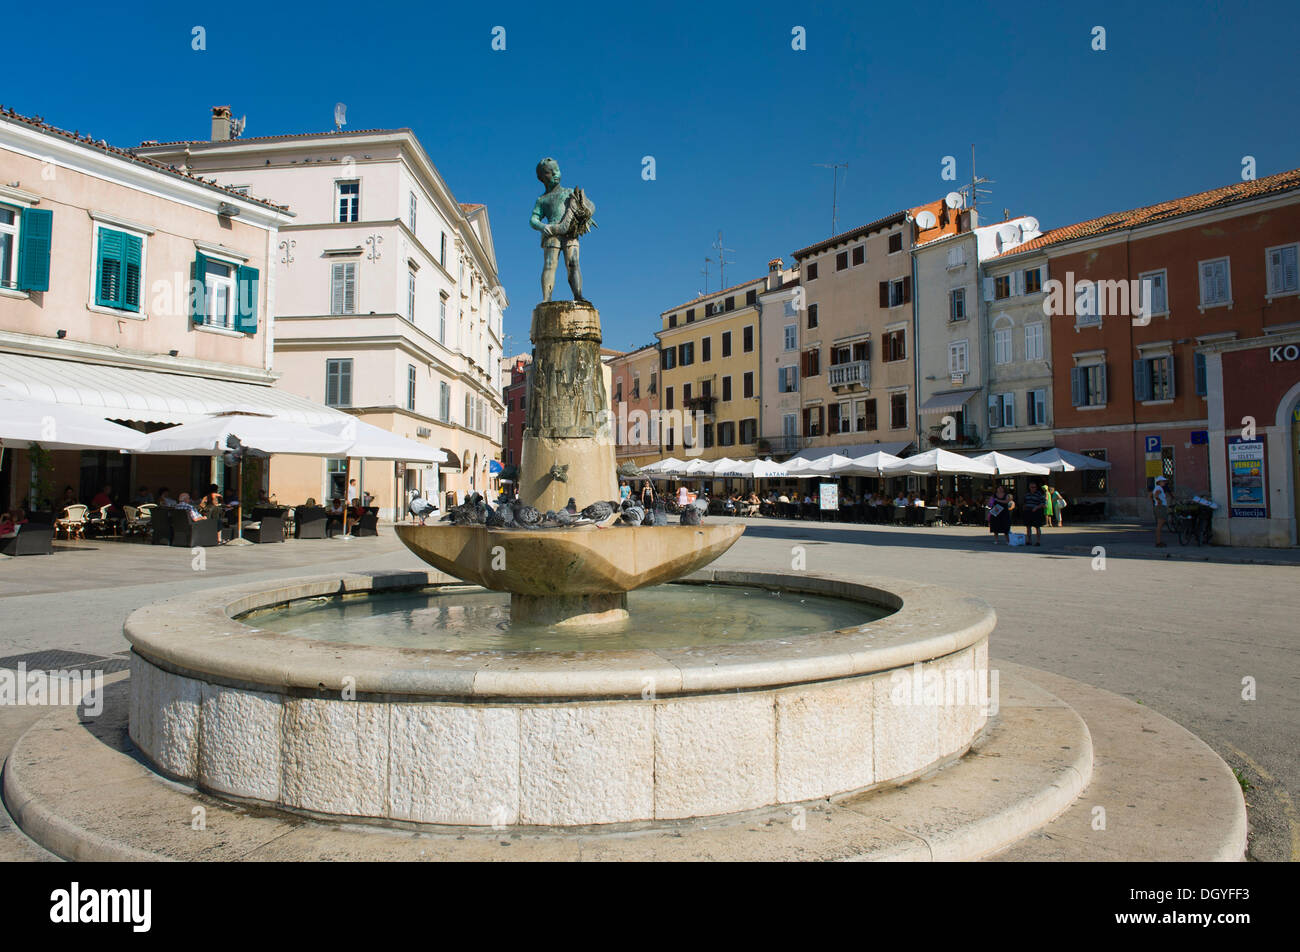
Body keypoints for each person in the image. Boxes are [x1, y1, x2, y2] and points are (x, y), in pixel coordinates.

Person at [1022, 481, 1047, 546]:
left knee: (1037, 527)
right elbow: (1025, 502)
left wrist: (1037, 507)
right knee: (1028, 527)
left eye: (1034, 487)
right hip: (1028, 511)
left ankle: (1038, 541)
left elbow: (1043, 503)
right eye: (1031, 487)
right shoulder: (1027, 494)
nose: (1033, 488)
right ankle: (1029, 540)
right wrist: (1024, 508)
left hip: (1036, 512)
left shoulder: (1039, 494)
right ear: (1029, 487)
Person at [1151, 476, 1170, 548]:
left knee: (1160, 525)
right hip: (1160, 507)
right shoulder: (1159, 488)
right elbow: (1156, 495)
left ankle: (1159, 541)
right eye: (1163, 481)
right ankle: (1158, 542)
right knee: (1159, 525)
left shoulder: (1157, 488)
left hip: (1159, 507)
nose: (1164, 482)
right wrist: (1159, 500)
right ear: (1159, 482)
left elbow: (1151, 495)